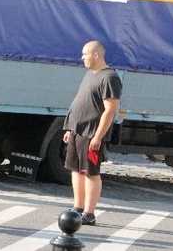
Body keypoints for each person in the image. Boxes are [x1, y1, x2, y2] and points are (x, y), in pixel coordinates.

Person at [63, 40, 122, 226]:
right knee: (75, 170)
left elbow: (110, 110)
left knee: (90, 172)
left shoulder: (110, 77)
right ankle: (78, 208)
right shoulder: (90, 74)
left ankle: (89, 213)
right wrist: (70, 127)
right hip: (77, 130)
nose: (82, 58)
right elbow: (80, 101)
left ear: (96, 55)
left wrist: (97, 136)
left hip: (91, 133)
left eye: (84, 54)